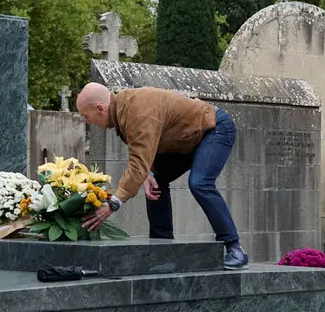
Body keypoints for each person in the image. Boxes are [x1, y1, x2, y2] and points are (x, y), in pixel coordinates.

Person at [75, 82, 248, 269]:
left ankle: (234, 247)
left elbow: (137, 162)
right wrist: (148, 172)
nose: (87, 121)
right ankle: (163, 250)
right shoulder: (123, 110)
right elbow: (147, 147)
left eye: (86, 116)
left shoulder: (137, 110)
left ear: (101, 108)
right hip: (187, 139)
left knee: (199, 183)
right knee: (155, 181)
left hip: (214, 129)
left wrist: (113, 203)